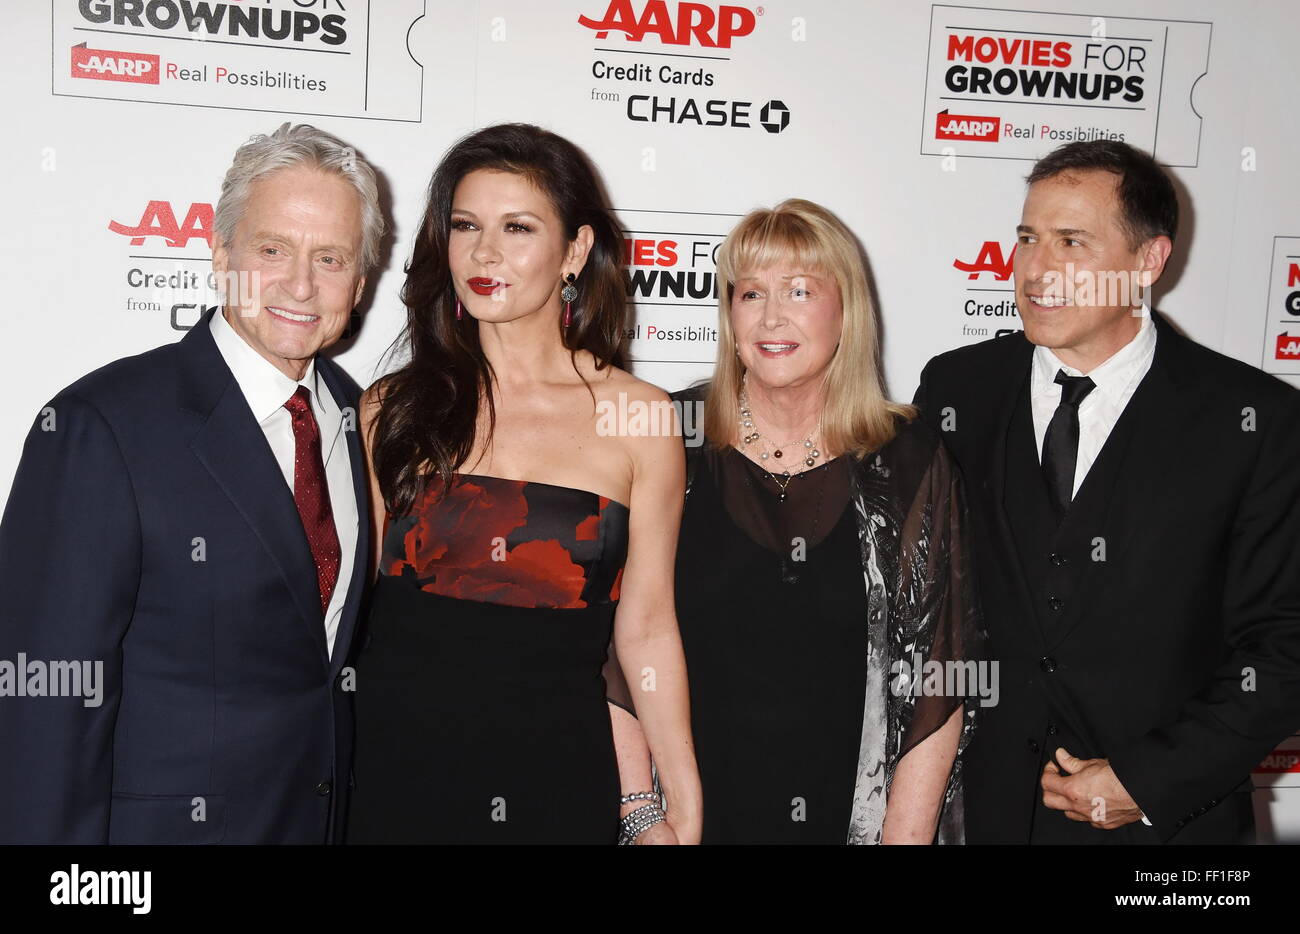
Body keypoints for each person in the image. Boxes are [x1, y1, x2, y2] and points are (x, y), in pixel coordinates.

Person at [0, 123, 382, 843]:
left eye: (330, 258)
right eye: (273, 250)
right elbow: (40, 705)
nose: (301, 284)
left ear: (359, 284)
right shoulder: (100, 427)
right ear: (220, 253)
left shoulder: (362, 423)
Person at [913, 139, 1300, 844]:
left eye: (1071, 242)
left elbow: (1283, 646)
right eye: (1028, 238)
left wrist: (1149, 783)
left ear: (1148, 261)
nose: (1036, 268)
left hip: (1165, 835)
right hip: (978, 816)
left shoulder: (1254, 421)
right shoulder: (956, 387)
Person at [347, 123, 702, 844]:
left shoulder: (641, 417)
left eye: (518, 227)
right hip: (392, 770)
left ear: (574, 250)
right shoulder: (391, 408)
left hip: (556, 777)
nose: (485, 253)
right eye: (466, 226)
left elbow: (646, 628)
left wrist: (677, 795)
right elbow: (355, 609)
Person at [662, 199, 983, 844]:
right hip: (689, 814)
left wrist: (905, 837)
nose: (772, 316)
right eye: (751, 293)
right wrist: (646, 813)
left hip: (849, 813)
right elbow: (620, 642)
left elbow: (941, 670)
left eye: (801, 290)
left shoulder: (908, 455)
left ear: (847, 311)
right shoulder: (673, 435)